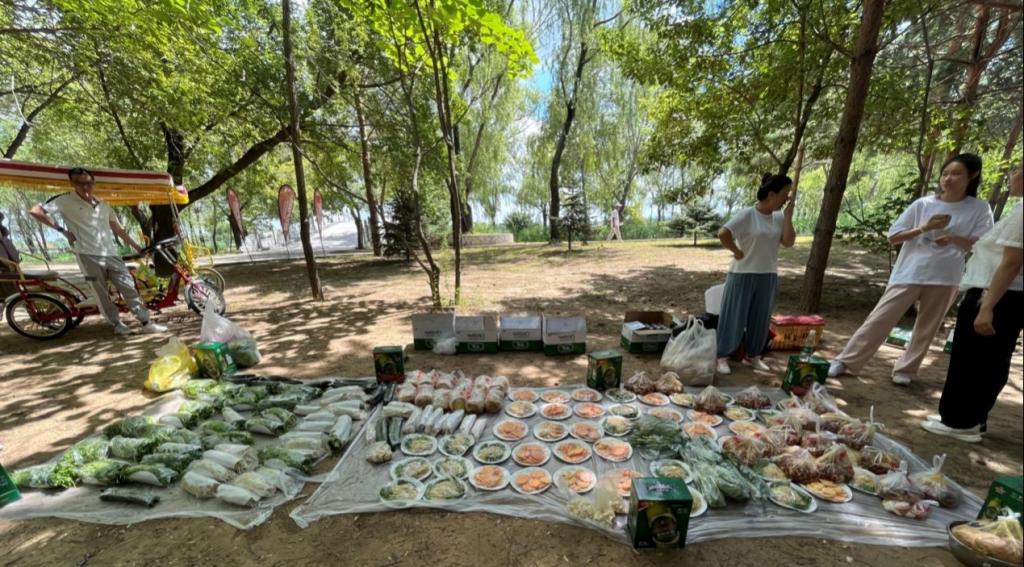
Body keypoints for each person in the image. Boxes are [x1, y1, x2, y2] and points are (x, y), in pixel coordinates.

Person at [828, 153, 994, 385]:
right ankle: (846, 361)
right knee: (880, 319)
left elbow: (984, 244)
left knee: (927, 328)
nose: (948, 179)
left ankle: (906, 370)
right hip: (910, 272)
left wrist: (953, 238)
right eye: (945, 173)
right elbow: (893, 236)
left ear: (972, 176)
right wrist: (924, 228)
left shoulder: (979, 208)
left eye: (956, 174)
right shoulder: (923, 204)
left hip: (946, 277)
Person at [922, 166, 1023, 442]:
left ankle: (961, 421)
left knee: (974, 360)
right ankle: (972, 418)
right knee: (986, 359)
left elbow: (1011, 264)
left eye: (1016, 171)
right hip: (1003, 294)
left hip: (998, 294)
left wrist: (987, 306)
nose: (1011, 176)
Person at [29, 167, 167, 336]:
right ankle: (117, 324)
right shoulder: (64, 200)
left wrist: (136, 246)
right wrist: (62, 231)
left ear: (93, 183)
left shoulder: (103, 204)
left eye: (88, 183)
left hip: (112, 254)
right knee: (100, 292)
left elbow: (118, 229)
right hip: (87, 255)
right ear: (72, 183)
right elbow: (35, 211)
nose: (85, 187)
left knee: (128, 286)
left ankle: (146, 322)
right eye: (79, 183)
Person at [715, 173, 797, 375]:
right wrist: (736, 251)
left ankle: (753, 356)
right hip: (742, 273)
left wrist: (788, 216)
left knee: (760, 318)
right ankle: (723, 355)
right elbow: (723, 233)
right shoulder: (748, 214)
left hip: (768, 274)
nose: (787, 198)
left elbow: (788, 242)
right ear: (771, 194)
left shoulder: (779, 217)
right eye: (785, 193)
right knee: (734, 316)